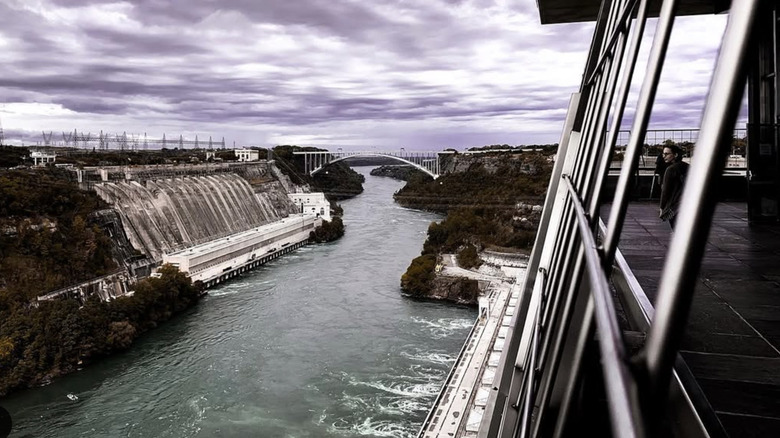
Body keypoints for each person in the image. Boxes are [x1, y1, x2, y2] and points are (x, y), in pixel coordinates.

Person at [659, 145, 689, 229]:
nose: (664, 156)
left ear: (675, 155)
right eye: (663, 154)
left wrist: (662, 207)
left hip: (675, 206)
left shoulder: (670, 169)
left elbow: (665, 191)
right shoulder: (688, 167)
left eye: (667, 154)